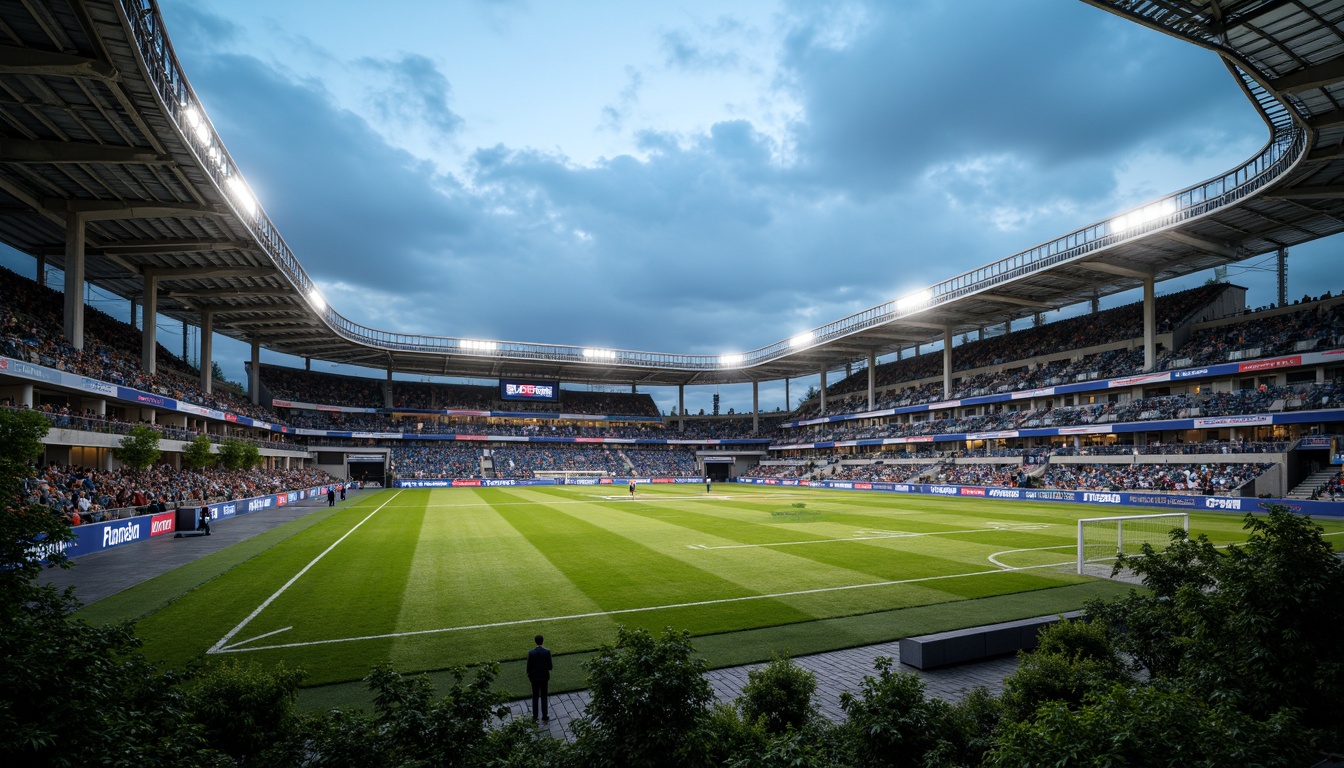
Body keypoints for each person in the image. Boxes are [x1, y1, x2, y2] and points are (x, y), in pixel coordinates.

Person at [526, 634, 552, 723]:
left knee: (535, 696)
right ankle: (545, 715)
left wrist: (530, 676)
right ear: (542, 641)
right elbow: (550, 666)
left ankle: (535, 716)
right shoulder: (547, 652)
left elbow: (528, 667)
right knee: (544, 696)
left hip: (534, 678)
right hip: (544, 678)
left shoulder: (531, 653)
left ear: (535, 642)